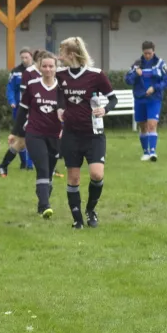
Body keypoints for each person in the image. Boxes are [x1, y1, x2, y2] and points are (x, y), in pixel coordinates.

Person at [56, 37, 118, 229]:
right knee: (73, 177)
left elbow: (113, 99)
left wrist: (105, 110)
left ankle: (91, 210)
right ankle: (77, 220)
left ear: (72, 54)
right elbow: (58, 95)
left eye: (62, 52)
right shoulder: (61, 75)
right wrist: (59, 108)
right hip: (71, 134)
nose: (60, 57)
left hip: (93, 133)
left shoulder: (96, 74)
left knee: (96, 174)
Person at [8, 51, 63, 218]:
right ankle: (46, 205)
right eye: (44, 66)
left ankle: (42, 201)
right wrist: (15, 133)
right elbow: (23, 111)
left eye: (51, 66)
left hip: (55, 135)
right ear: (39, 67)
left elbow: (69, 112)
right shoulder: (32, 85)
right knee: (42, 167)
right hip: (35, 133)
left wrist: (65, 129)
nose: (47, 69)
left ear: (56, 68)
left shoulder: (62, 88)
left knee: (50, 171)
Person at [125, 40, 167, 162]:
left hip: (154, 99)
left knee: (152, 124)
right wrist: (136, 74)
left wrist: (155, 88)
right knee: (143, 126)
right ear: (142, 52)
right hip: (140, 99)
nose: (147, 55)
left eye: (149, 53)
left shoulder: (160, 63)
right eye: (145, 53)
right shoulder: (137, 64)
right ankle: (145, 152)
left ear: (153, 51)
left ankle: (153, 152)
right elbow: (128, 80)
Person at [5, 47, 34, 170]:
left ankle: (30, 164)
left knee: (32, 135)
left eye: (26, 57)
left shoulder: (37, 71)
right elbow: (10, 88)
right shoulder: (16, 72)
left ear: (31, 57)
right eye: (22, 57)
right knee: (20, 135)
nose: (24, 60)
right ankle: (23, 162)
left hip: (33, 108)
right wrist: (12, 101)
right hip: (19, 108)